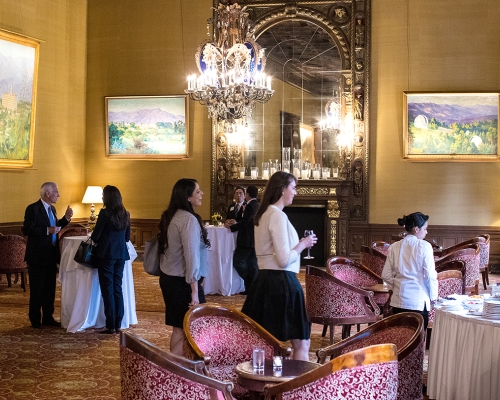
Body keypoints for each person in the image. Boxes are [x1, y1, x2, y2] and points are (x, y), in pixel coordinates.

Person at [241, 172, 317, 360]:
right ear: (282, 189)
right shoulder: (277, 216)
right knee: (301, 343)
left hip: (264, 282)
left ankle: (270, 384)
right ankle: (297, 388)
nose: (295, 193)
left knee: (266, 344)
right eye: (293, 188)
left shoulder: (263, 214)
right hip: (282, 283)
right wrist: (303, 244)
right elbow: (283, 260)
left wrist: (297, 245)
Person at [158, 178, 210, 355]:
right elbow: (191, 256)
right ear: (187, 197)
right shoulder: (188, 219)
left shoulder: (173, 215)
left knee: (179, 329)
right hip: (183, 283)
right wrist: (195, 290)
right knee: (193, 328)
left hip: (170, 279)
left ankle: (176, 369)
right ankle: (178, 370)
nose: (201, 194)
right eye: (197, 191)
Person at [23, 182, 73, 328]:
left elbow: (55, 227)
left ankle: (48, 317)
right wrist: (46, 230)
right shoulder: (33, 209)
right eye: (56, 192)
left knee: (49, 289)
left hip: (51, 254)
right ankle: (35, 319)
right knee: (37, 289)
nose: (58, 195)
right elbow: (27, 229)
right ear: (47, 193)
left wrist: (66, 219)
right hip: (37, 256)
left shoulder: (52, 209)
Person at [381, 212, 438, 330]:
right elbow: (430, 276)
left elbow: (385, 274)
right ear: (417, 229)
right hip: (418, 302)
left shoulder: (394, 246)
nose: (426, 232)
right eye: (425, 229)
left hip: (398, 301)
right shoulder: (425, 246)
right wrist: (433, 298)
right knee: (417, 342)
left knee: (400, 340)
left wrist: (397, 285)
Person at [91, 185, 130, 334]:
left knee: (107, 290)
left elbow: (96, 236)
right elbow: (127, 237)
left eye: (103, 195)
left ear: (108, 197)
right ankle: (118, 324)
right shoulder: (125, 214)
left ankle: (110, 325)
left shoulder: (104, 213)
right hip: (121, 255)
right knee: (117, 288)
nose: (102, 198)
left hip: (106, 255)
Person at [225, 185, 259, 294]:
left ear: (247, 194)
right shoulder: (257, 204)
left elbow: (245, 223)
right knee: (252, 265)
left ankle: (250, 283)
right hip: (254, 239)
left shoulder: (249, 206)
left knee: (238, 262)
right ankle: (251, 288)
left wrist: (231, 227)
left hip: (246, 240)